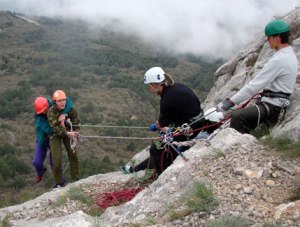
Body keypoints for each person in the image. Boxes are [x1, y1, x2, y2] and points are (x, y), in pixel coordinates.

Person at [130, 66, 215, 176]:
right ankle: (137, 169)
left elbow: (162, 123)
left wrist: (158, 126)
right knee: (162, 142)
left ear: (155, 85)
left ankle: (162, 177)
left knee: (156, 148)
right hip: (196, 122)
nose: (149, 89)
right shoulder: (176, 87)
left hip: (190, 130)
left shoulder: (168, 98)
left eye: (149, 86)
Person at [217, 19, 298, 134]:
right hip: (275, 103)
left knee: (237, 116)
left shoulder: (280, 60)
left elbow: (254, 86)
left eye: (269, 38)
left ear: (277, 38)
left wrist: (230, 102)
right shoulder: (288, 54)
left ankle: (235, 145)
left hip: (273, 106)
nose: (267, 41)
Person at [47, 90, 80, 188]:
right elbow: (55, 128)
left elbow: (76, 122)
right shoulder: (51, 112)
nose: (62, 103)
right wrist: (67, 133)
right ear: (55, 102)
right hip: (55, 134)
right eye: (59, 101)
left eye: (63, 100)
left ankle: (76, 179)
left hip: (68, 132)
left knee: (73, 155)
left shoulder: (71, 109)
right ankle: (59, 182)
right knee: (56, 160)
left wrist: (76, 132)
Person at [32, 97, 54, 183]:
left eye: (45, 110)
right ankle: (40, 173)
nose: (44, 112)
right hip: (43, 139)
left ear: (47, 105)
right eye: (42, 111)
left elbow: (68, 101)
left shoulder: (54, 103)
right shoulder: (39, 118)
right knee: (36, 162)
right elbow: (49, 129)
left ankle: (61, 181)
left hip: (53, 139)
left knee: (54, 163)